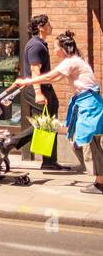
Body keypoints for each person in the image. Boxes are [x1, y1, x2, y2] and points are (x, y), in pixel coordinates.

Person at [14, 30, 103, 194]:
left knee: (91, 143)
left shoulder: (71, 62)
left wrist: (27, 81)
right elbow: (54, 78)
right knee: (84, 141)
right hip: (88, 104)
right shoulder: (75, 60)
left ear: (63, 48)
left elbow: (51, 77)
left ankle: (100, 182)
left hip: (89, 106)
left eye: (55, 48)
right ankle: (99, 179)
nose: (53, 51)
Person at [13, 14, 60, 168]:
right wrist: (38, 92)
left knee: (49, 122)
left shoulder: (40, 44)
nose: (51, 26)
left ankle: (49, 161)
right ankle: (10, 143)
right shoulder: (36, 46)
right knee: (43, 124)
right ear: (41, 28)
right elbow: (35, 70)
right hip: (36, 89)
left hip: (45, 87)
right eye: (48, 24)